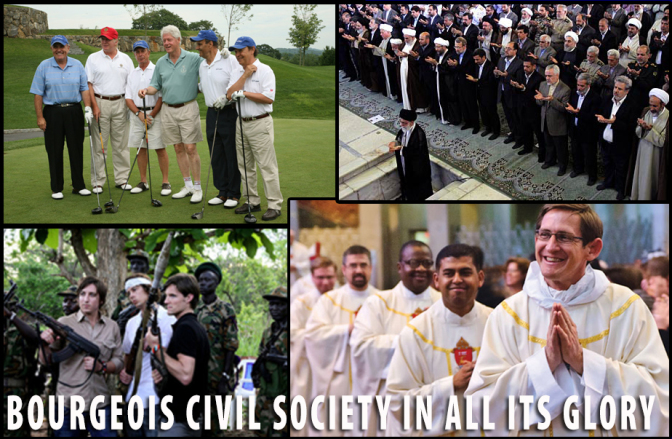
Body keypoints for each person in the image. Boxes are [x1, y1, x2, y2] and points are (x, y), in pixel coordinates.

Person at [465, 204, 669, 436]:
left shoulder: (626, 308)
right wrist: (545, 363)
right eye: (544, 234)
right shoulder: (508, 314)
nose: (550, 246)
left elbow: (659, 400)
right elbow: (481, 407)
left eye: (563, 237)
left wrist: (584, 363)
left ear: (592, 249)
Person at [386, 244, 493, 436]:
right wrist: (451, 385)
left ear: (480, 278)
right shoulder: (416, 332)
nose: (457, 280)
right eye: (449, 273)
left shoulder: (496, 323)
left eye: (465, 272)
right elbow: (397, 402)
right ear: (436, 280)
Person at [350, 241, 440, 436]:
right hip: (388, 400)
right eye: (414, 263)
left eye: (427, 263)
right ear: (400, 267)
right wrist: (410, 342)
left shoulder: (443, 303)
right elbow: (360, 347)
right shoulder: (378, 304)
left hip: (433, 399)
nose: (421, 269)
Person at [304, 245, 380, 437]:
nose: (359, 270)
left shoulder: (382, 300)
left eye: (363, 265)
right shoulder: (329, 301)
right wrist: (347, 330)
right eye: (353, 265)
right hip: (339, 377)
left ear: (371, 268)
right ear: (344, 269)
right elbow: (313, 334)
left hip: (372, 377)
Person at [39, 277, 123, 437]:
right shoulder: (64, 323)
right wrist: (43, 343)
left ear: (101, 300)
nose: (85, 299)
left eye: (92, 295)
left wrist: (102, 367)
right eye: (82, 294)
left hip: (99, 404)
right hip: (68, 405)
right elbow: (45, 360)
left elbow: (119, 361)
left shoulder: (112, 327)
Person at [139, 25, 205, 204]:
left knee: (190, 148)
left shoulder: (192, 58)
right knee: (178, 148)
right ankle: (188, 185)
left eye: (169, 40)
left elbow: (209, 67)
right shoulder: (161, 62)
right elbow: (156, 85)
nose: (166, 43)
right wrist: (147, 90)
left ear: (178, 40)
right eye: (164, 40)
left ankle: (198, 188)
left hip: (188, 107)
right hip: (168, 109)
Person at [144, 273, 210, 437]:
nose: (166, 301)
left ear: (189, 297)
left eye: (173, 296)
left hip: (178, 419)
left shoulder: (185, 328)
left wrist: (156, 348)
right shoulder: (195, 326)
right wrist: (163, 374)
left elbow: (185, 374)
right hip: (191, 415)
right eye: (166, 296)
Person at [226, 36, 283, 221]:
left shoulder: (266, 70)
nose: (237, 54)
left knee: (266, 166)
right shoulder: (237, 71)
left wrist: (244, 93)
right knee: (245, 166)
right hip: (240, 123)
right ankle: (252, 201)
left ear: (252, 49)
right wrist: (244, 76)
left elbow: (268, 98)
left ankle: (275, 205)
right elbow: (229, 95)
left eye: (241, 50)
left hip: (260, 122)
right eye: (235, 51)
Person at [30, 35, 93, 200]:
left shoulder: (77, 64)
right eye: (56, 47)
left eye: (62, 46)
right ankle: (56, 188)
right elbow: (38, 94)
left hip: (74, 111)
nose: (59, 50)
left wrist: (87, 108)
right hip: (52, 112)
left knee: (76, 149)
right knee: (54, 150)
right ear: (52, 48)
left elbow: (84, 88)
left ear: (68, 48)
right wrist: (40, 117)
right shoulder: (44, 66)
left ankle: (79, 186)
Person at [118, 273, 175, 437]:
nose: (132, 296)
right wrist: (125, 371)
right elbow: (128, 353)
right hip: (134, 396)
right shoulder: (131, 322)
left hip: (157, 397)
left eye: (135, 290)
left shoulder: (167, 318)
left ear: (148, 290)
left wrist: (153, 348)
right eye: (129, 293)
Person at [188, 30, 241, 209]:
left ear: (210, 44)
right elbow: (203, 86)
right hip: (211, 113)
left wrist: (227, 98)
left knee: (231, 153)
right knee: (216, 153)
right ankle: (222, 192)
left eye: (200, 43)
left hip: (229, 111)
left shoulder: (229, 59)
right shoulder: (202, 65)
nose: (197, 47)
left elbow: (241, 80)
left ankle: (234, 194)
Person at [290, 257, 338, 437]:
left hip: (335, 365)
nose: (325, 282)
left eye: (329, 277)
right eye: (320, 277)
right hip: (308, 366)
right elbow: (293, 333)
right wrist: (318, 337)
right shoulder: (302, 302)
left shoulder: (341, 301)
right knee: (305, 409)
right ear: (311, 277)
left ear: (336, 276)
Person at [86, 26, 134, 194]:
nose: (104, 42)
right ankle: (98, 181)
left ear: (116, 40)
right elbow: (89, 84)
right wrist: (94, 106)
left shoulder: (126, 59)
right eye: (102, 39)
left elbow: (131, 84)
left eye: (107, 39)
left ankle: (122, 179)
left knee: (121, 144)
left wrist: (129, 106)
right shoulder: (93, 58)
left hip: (121, 102)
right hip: (100, 102)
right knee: (100, 146)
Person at [194, 262, 239, 437]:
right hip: (196, 375)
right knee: (196, 422)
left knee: (216, 424)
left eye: (208, 280)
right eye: (200, 280)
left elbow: (231, 344)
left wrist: (225, 376)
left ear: (217, 283)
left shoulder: (225, 309)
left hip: (218, 373)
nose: (203, 283)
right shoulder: (194, 309)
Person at [125, 40, 171, 197]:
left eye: (142, 51)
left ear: (148, 52)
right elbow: (128, 98)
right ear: (134, 54)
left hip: (154, 114)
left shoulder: (156, 70)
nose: (140, 54)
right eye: (137, 52)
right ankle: (143, 181)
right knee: (141, 149)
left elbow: (161, 96)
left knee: (159, 147)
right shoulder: (132, 73)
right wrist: (140, 114)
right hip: (138, 115)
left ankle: (165, 182)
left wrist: (151, 116)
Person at [253, 287, 288, 437]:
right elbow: (261, 356)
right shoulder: (268, 333)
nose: (274, 308)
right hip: (266, 395)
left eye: (280, 305)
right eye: (272, 304)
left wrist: (277, 359)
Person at [596, 76, 638, 200]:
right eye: (615, 87)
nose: (616, 91)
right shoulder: (608, 99)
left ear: (627, 91)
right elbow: (601, 114)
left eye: (620, 89)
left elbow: (631, 127)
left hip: (620, 144)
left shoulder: (632, 105)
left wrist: (614, 122)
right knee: (607, 163)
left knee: (620, 168)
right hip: (605, 140)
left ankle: (621, 189)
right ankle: (608, 182)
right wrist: (601, 119)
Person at [629, 89, 669, 200]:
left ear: (663, 104)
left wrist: (650, 129)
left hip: (656, 155)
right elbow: (638, 134)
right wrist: (641, 127)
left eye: (655, 106)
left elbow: (662, 142)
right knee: (640, 177)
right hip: (642, 151)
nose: (651, 108)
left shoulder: (667, 118)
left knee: (651, 179)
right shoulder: (646, 111)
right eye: (650, 105)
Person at [387, 109, 433, 201]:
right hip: (405, 163)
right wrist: (395, 143)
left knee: (418, 190)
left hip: (417, 169)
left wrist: (401, 149)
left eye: (404, 123)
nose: (401, 125)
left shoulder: (419, 134)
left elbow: (417, 153)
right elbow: (400, 140)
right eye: (400, 121)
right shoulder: (404, 129)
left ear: (411, 122)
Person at [565, 73, 602, 185]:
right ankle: (578, 168)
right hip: (575, 129)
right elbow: (570, 107)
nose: (579, 88)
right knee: (576, 151)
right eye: (578, 85)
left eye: (582, 86)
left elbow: (593, 117)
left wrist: (577, 113)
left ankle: (592, 176)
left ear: (588, 85)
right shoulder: (574, 93)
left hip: (588, 132)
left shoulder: (595, 98)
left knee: (589, 155)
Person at [537, 65, 571, 176]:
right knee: (549, 144)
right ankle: (549, 161)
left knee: (561, 148)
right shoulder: (542, 85)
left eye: (550, 76)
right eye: (546, 75)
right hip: (545, 121)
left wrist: (552, 100)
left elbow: (564, 109)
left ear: (557, 75)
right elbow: (539, 103)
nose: (547, 78)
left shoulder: (565, 89)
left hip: (558, 123)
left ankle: (562, 166)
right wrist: (539, 99)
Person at [511, 57, 545, 159]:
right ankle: (527, 147)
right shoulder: (520, 73)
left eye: (527, 66)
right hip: (522, 107)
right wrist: (516, 86)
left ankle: (542, 154)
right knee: (525, 129)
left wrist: (524, 89)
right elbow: (518, 91)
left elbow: (536, 96)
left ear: (534, 66)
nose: (525, 68)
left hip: (534, 110)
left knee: (538, 133)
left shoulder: (539, 78)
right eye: (524, 66)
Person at [395, 28, 430, 113]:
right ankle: (408, 104)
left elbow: (418, 58)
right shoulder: (404, 43)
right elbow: (399, 52)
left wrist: (406, 55)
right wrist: (400, 55)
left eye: (407, 38)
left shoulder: (417, 45)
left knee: (415, 88)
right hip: (404, 69)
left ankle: (420, 106)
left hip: (414, 72)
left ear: (412, 37)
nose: (405, 40)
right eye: (404, 38)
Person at [495, 42, 523, 146]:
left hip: (513, 95)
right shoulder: (501, 60)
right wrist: (497, 74)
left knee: (516, 117)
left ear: (515, 50)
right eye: (506, 48)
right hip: (502, 92)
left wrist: (507, 76)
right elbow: (498, 75)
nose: (506, 50)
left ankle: (519, 139)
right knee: (508, 116)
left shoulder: (519, 63)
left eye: (509, 49)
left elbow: (520, 80)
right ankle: (513, 133)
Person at [469, 48, 500, 140]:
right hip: (480, 93)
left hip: (489, 94)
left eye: (477, 59)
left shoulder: (491, 66)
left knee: (492, 113)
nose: (475, 61)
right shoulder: (477, 66)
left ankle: (496, 131)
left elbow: (491, 82)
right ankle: (488, 127)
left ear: (483, 57)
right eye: (474, 59)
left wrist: (476, 80)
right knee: (483, 112)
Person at [626, 45, 659, 111]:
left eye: (642, 55)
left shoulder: (653, 68)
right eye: (638, 54)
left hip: (642, 99)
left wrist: (636, 77)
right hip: (629, 98)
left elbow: (647, 86)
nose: (639, 57)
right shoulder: (631, 65)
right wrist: (629, 75)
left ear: (649, 56)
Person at [649, 16, 669, 82]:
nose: (663, 26)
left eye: (666, 24)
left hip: (665, 67)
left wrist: (662, 45)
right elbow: (650, 48)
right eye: (662, 23)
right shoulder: (656, 34)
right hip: (654, 64)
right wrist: (657, 44)